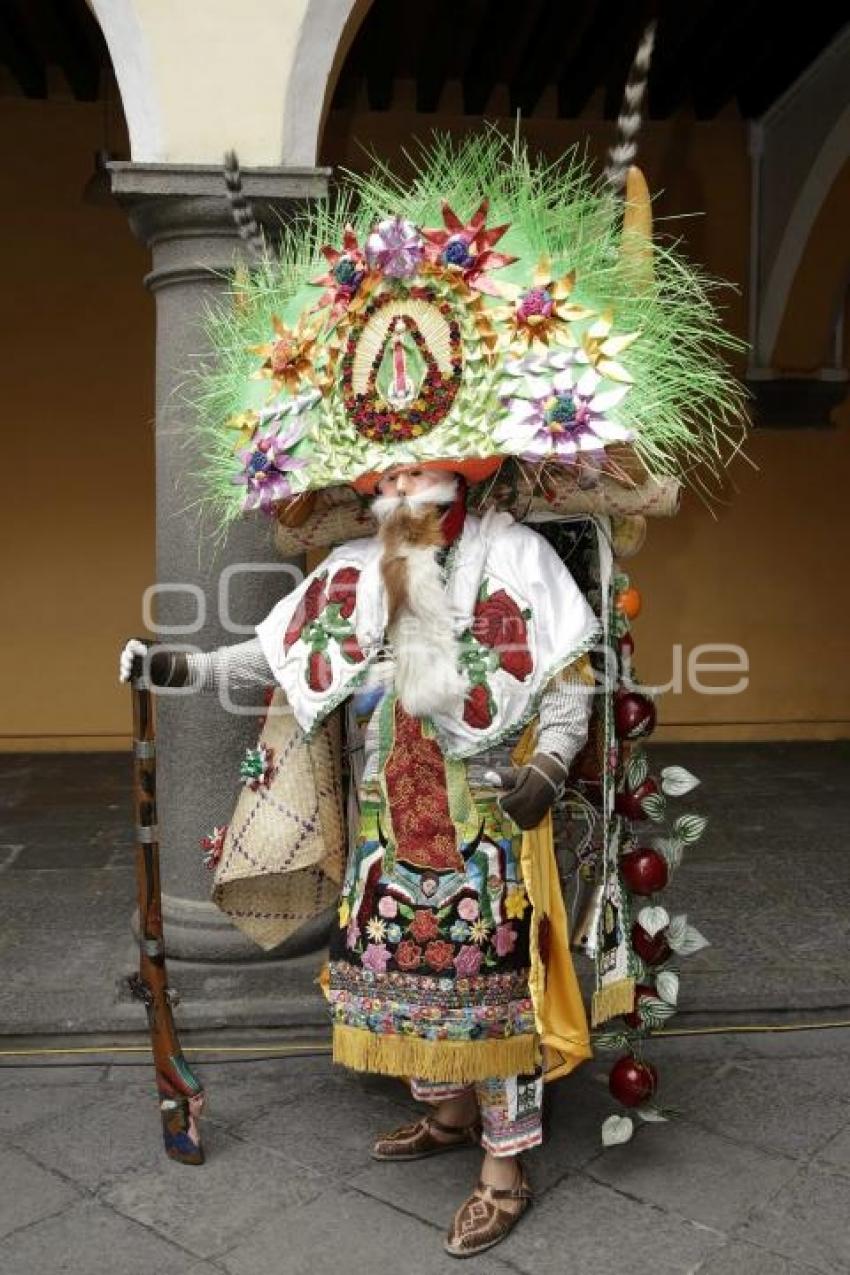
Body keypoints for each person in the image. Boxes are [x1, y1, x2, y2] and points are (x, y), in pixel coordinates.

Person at [121, 458, 599, 1256]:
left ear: (460, 473)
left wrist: (548, 768)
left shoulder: (519, 560)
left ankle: (504, 1169)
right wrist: (178, 667)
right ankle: (449, 1112)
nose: (398, 488)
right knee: (401, 973)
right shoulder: (357, 572)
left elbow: (569, 680)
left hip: (487, 821)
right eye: (388, 475)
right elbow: (275, 658)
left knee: (496, 992)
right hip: (386, 826)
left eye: (417, 471)